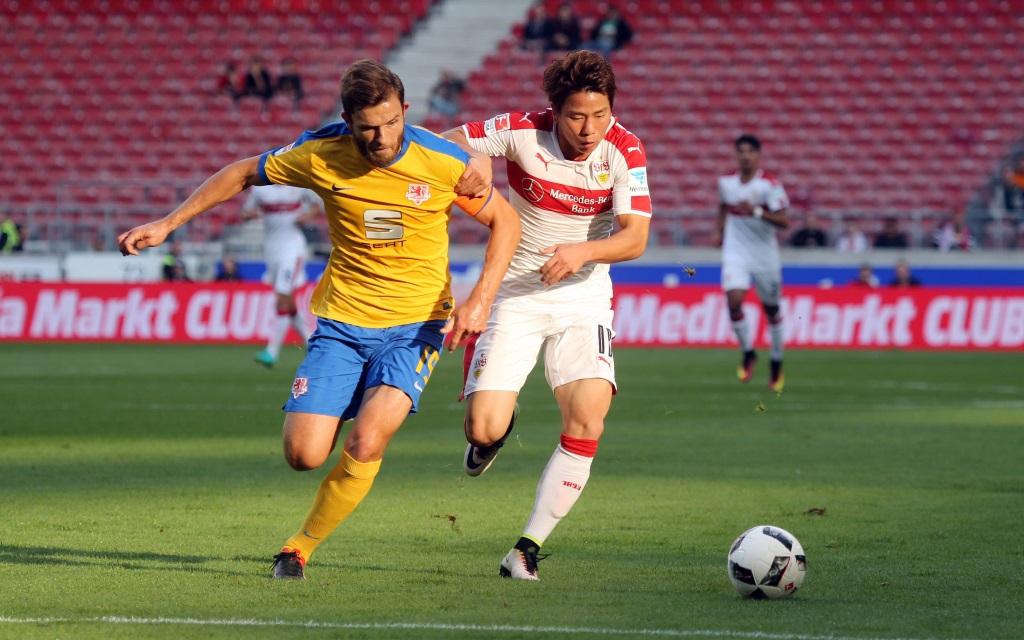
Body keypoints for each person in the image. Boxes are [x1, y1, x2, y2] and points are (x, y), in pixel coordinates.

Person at [118, 59, 521, 581]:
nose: (381, 138)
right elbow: (242, 172)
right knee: (304, 455)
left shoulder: (443, 160)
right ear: (347, 119)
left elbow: (504, 221)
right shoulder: (319, 153)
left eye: (391, 122)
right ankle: (342, 403)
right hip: (341, 325)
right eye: (368, 127)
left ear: (406, 110)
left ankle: (298, 548)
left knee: (368, 440)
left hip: (416, 327)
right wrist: (169, 223)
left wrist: (481, 299)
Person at [443, 50, 652, 581]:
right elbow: (450, 139)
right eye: (578, 116)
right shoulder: (521, 131)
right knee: (482, 426)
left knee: (588, 418)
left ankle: (525, 548)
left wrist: (582, 253)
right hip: (515, 292)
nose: (590, 129)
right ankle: (491, 434)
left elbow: (635, 238)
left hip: (584, 297)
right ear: (554, 111)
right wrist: (476, 157)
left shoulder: (624, 150)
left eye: (601, 114)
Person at [714, 134, 790, 393]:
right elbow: (723, 207)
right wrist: (719, 230)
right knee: (734, 301)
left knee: (772, 311)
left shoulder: (770, 185)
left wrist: (756, 211)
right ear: (737, 155)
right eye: (741, 151)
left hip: (765, 256)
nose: (745, 156)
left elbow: (785, 221)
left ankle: (776, 361)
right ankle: (748, 352)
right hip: (736, 252)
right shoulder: (726, 182)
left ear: (758, 155)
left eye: (750, 151)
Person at [241, 184, 324, 368]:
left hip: (292, 249)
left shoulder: (297, 185)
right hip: (272, 251)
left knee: (281, 296)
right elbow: (245, 213)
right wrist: (252, 215)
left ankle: (271, 352)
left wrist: (306, 217)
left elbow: (318, 204)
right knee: (288, 301)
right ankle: (312, 343)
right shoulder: (260, 190)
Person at [1000, 156, 1024, 248]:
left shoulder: (1019, 190)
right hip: (1001, 221)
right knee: (1000, 230)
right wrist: (1003, 216)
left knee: (1022, 230)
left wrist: (1014, 217)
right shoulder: (999, 191)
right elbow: (994, 208)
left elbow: (1020, 207)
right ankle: (1000, 255)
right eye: (1005, 175)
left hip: (1018, 220)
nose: (1007, 178)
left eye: (1010, 175)